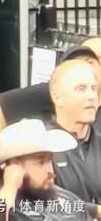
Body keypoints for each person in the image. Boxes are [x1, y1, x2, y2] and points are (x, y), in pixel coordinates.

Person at [0, 119, 97, 221]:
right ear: (15, 165)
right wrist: (10, 187)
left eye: (49, 160)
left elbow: (89, 210)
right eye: (41, 162)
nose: (50, 170)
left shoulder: (65, 197)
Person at [0, 44, 101, 148]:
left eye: (90, 62)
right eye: (80, 89)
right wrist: (3, 157)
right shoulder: (51, 91)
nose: (85, 68)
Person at [47, 60, 101, 204]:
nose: (91, 96)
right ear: (57, 97)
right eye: (81, 89)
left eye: (94, 88)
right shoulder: (40, 148)